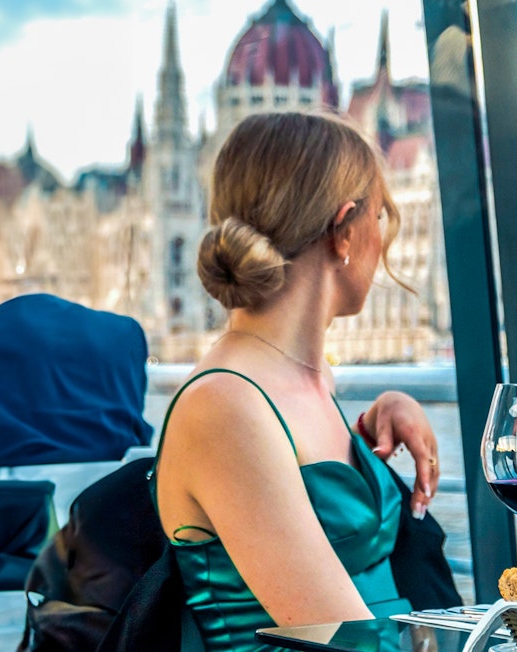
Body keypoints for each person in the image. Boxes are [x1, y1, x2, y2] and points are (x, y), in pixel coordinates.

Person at [152, 110, 441, 649]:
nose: (384, 240)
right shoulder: (225, 407)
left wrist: (375, 423)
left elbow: (310, 500)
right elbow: (348, 640)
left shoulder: (299, 382)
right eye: (380, 216)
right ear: (344, 230)